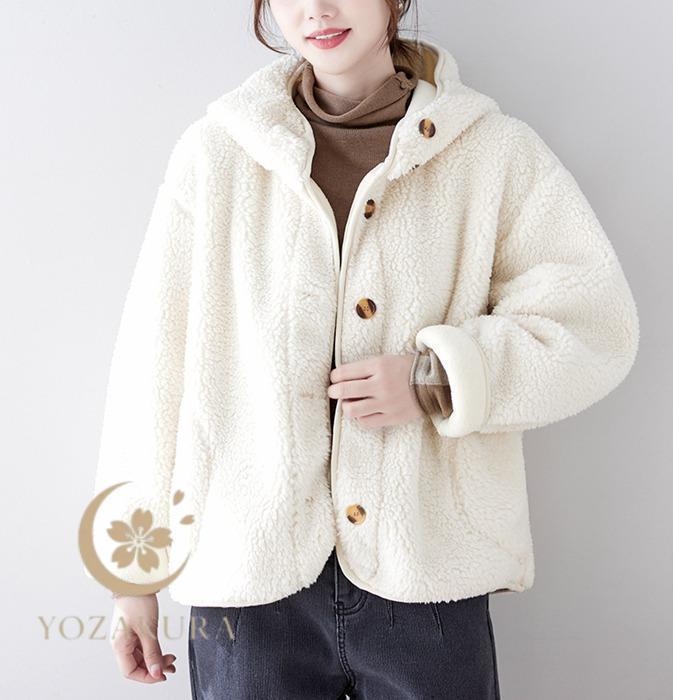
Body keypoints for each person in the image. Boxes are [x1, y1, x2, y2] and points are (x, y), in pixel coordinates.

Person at [85, 0, 640, 697]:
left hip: (428, 575)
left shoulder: (493, 151)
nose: (317, 10)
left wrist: (437, 380)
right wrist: (130, 578)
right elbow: (152, 363)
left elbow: (592, 324)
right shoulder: (218, 153)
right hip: (248, 581)